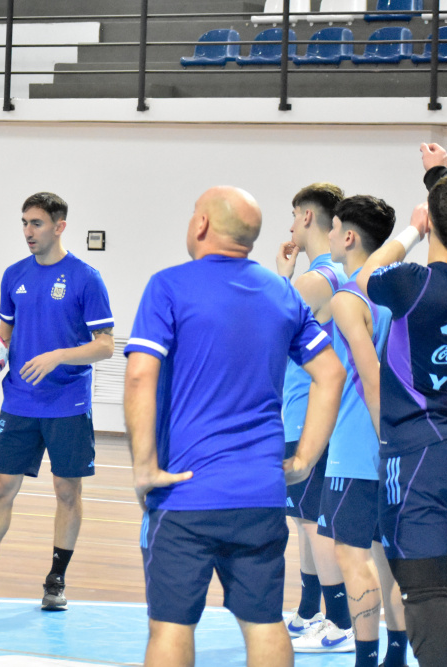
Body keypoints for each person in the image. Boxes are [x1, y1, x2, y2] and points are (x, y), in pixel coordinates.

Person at [125, 186, 345, 667]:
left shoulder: (169, 286)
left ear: (201, 225)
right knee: (263, 623)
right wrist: (304, 460)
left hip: (185, 494)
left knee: (171, 626)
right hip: (259, 494)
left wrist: (144, 467)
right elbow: (331, 373)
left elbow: (141, 373)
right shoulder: (281, 291)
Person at [357, 143, 447, 667]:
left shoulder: (414, 285)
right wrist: (438, 176)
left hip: (418, 458)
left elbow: (366, 274)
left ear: (433, 225)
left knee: (423, 595)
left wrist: (412, 230)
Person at [0, 192, 114, 612]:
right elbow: (3, 339)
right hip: (19, 401)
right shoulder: (13, 275)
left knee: (66, 491)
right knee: (0, 488)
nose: (27, 232)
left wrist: (58, 356)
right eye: (24, 223)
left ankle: (56, 580)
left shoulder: (86, 278)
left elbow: (105, 346)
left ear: (60, 226)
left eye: (36, 223)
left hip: (67, 404)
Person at [292, 195, 408, 666]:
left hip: (358, 446)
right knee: (383, 560)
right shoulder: (393, 292)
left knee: (351, 558)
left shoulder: (345, 299)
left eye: (336, 225)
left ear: (348, 237)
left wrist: (382, 438)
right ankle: (395, 655)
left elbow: (371, 374)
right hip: (390, 446)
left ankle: (363, 656)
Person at [275, 183, 353, 647]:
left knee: (311, 522)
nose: (289, 227)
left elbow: (267, 325)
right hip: (307, 413)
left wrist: (282, 276)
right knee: (303, 518)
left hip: (308, 416)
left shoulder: (317, 280)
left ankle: (340, 620)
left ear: (307, 217)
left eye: (292, 217)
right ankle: (308, 611)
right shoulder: (329, 275)